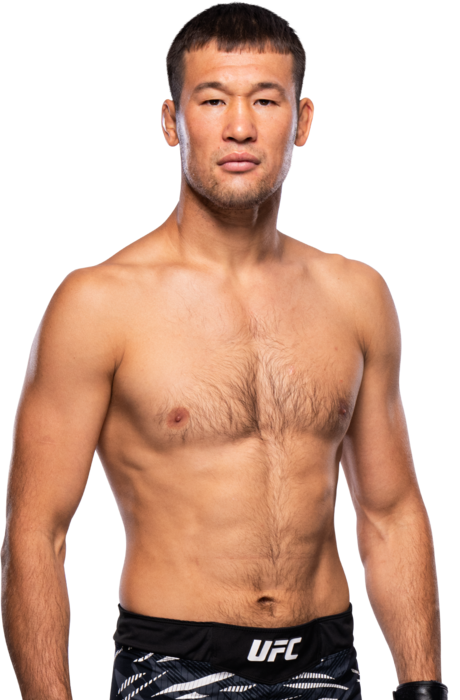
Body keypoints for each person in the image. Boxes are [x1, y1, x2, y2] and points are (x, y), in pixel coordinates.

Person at [0, 3, 448, 699]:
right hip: (175, 667)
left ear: (302, 121)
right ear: (172, 121)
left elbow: (390, 513)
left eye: (266, 100)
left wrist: (422, 688)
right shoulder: (98, 304)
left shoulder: (356, 297)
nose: (240, 126)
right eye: (213, 100)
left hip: (326, 665)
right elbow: (37, 534)